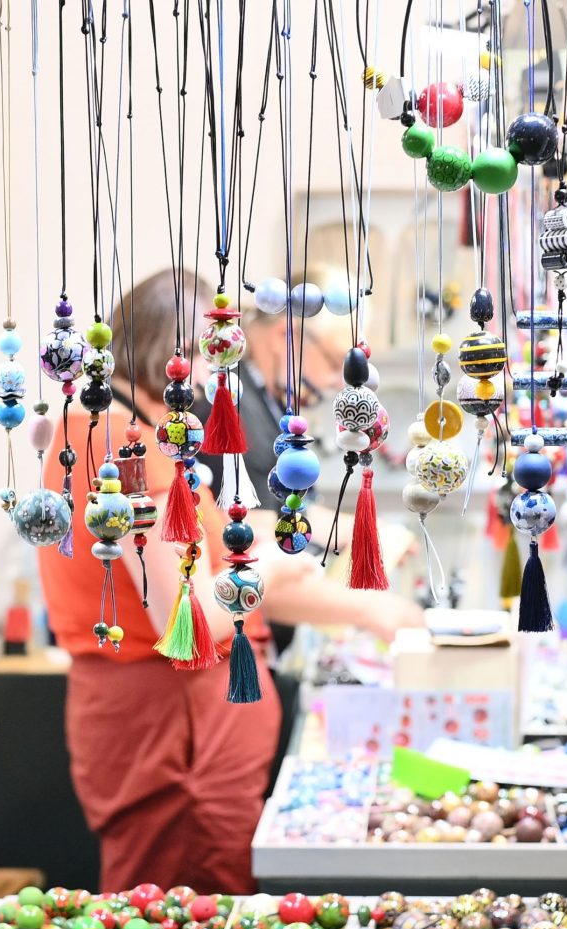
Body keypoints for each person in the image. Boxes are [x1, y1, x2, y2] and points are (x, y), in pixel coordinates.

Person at [38, 269, 422, 893]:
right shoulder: (126, 448)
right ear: (173, 352)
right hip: (174, 733)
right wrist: (270, 571)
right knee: (180, 899)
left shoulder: (128, 434)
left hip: (185, 727)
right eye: (213, 356)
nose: (217, 379)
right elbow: (182, 624)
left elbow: (195, 562)